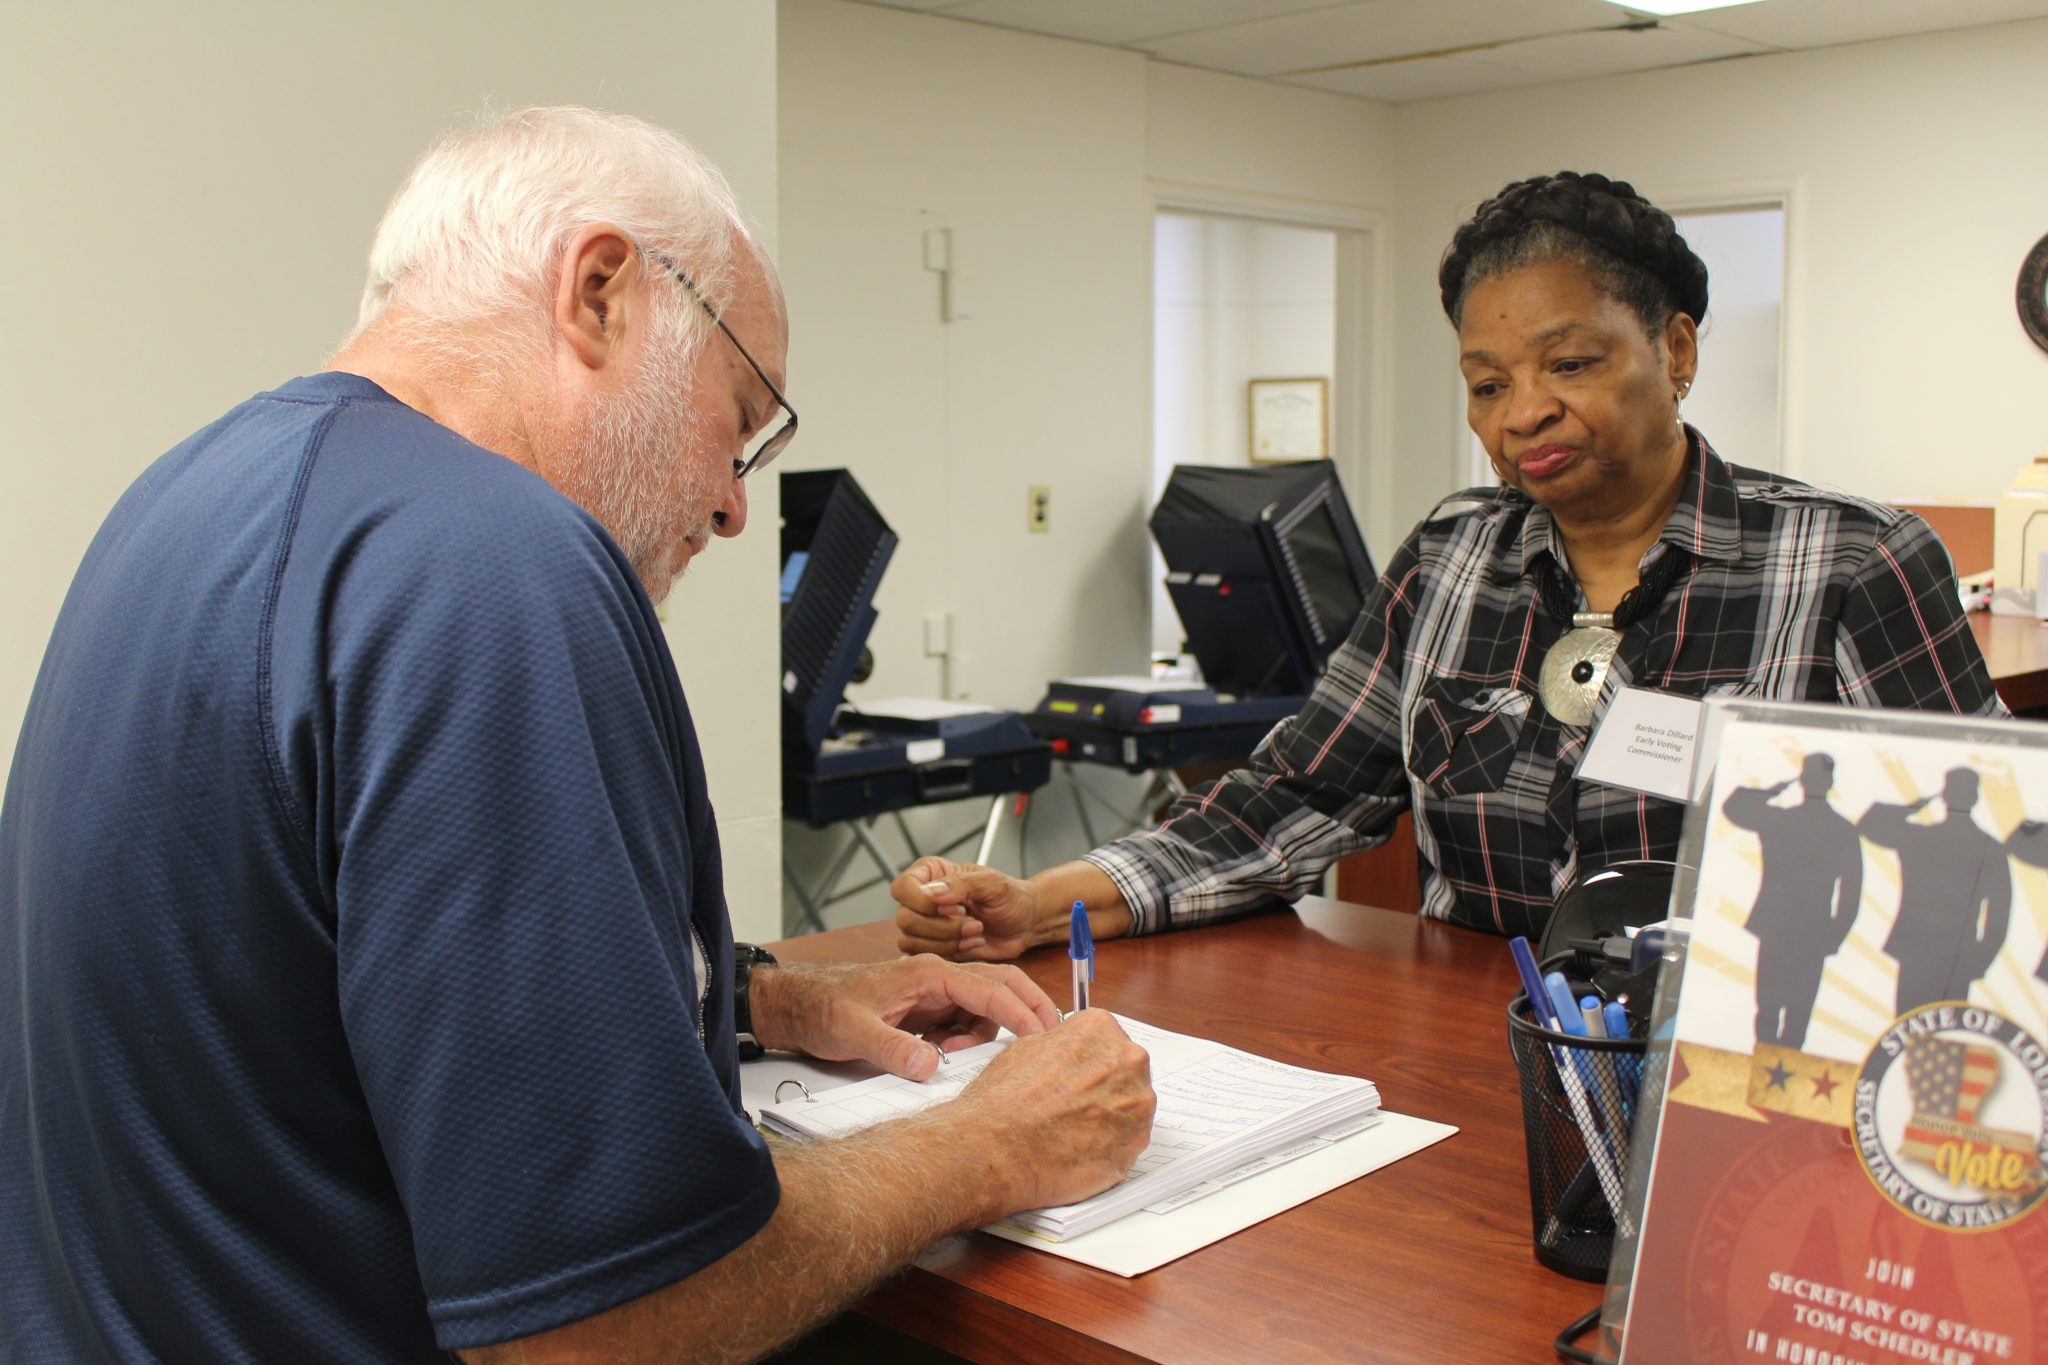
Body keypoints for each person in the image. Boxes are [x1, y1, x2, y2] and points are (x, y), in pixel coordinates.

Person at [0, 107, 1154, 1364]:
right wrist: (989, 1145)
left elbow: (290, 977)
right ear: (599, 292)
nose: (728, 506)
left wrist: (759, 998)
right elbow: (608, 1328)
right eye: (743, 416)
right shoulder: (491, 563)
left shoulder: (189, 495)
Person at [896, 170, 2003, 959]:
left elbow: (1980, 865)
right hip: (1477, 1070)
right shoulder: (1450, 558)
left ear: (1673, 350)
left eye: (1568, 362)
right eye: (1484, 383)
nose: (1525, 412)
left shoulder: (1849, 561)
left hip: (1738, 1092)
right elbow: (1292, 799)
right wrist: (1043, 905)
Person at [1722, 752, 1863, 1050]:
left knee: (1776, 1013)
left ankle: (1770, 1081)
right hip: (1806, 932)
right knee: (1786, 1015)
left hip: (1789, 930)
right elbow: (1851, 894)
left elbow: (1734, 805)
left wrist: (1774, 790)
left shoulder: (1783, 820)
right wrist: (1834, 936)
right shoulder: (1840, 830)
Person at [1861, 767, 2012, 1014]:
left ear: (1945, 796)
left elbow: (1870, 823)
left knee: (1908, 1026)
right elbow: (1999, 915)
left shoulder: (1921, 838)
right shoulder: (1989, 848)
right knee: (1942, 1031)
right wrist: (1980, 960)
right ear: (1974, 798)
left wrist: (1914, 806)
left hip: (1923, 950)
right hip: (1957, 955)